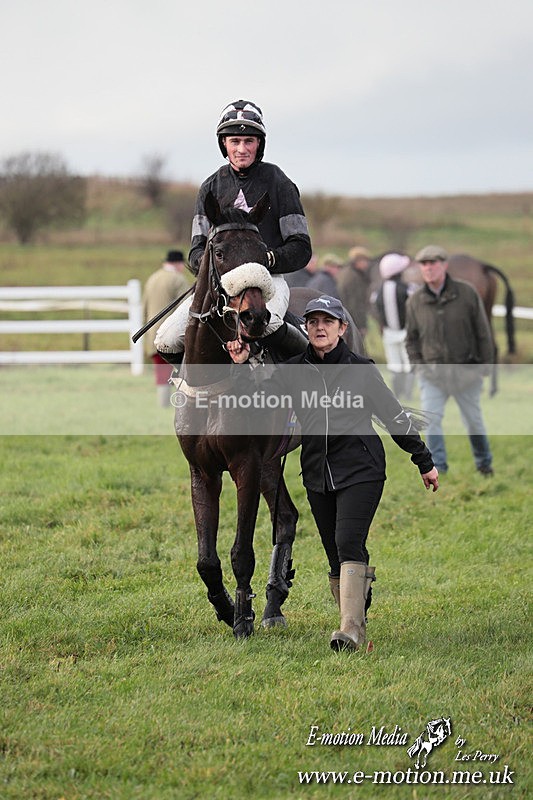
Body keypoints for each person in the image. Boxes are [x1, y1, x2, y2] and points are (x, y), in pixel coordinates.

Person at [228, 295, 439, 651]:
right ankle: (357, 610)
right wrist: (241, 363)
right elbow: (258, 397)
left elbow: (393, 416)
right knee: (334, 555)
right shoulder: (293, 371)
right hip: (317, 476)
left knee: (347, 542)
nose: (319, 327)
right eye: (312, 322)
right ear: (306, 328)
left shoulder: (361, 369)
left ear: (342, 329)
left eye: (328, 321)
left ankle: (351, 632)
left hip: (362, 470)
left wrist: (424, 460)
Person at [155, 99, 312, 363]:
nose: (242, 149)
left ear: (259, 144)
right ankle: (189, 386)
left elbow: (301, 248)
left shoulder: (279, 183)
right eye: (234, 141)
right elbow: (196, 251)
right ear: (224, 144)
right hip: (220, 286)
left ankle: (307, 369)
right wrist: (217, 266)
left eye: (249, 141)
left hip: (267, 282)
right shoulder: (210, 187)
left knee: (269, 325)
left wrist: (265, 259)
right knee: (167, 340)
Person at [405, 245, 495, 476]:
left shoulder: (467, 293)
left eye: (433, 263)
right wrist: (419, 367)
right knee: (431, 421)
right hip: (432, 375)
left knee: (474, 421)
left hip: (466, 371)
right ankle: (439, 468)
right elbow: (411, 340)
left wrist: (485, 367)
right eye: (424, 264)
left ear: (444, 265)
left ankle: (484, 464)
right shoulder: (415, 301)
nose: (428, 268)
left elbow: (483, 332)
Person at [142, 250, 190, 406]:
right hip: (172, 334)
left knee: (161, 371)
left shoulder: (153, 278)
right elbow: (186, 308)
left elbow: (144, 307)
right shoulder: (178, 280)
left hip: (152, 334)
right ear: (178, 263)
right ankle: (175, 403)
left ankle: (163, 402)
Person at [374, 253, 415, 400]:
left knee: (394, 364)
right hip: (406, 332)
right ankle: (408, 394)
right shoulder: (407, 289)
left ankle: (398, 394)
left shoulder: (378, 291)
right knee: (409, 364)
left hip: (389, 333)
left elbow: (376, 310)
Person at [337, 246, 372, 340]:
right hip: (353, 320)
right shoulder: (354, 277)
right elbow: (356, 303)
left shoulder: (345, 272)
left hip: (345, 317)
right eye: (365, 261)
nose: (367, 264)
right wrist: (361, 326)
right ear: (358, 261)